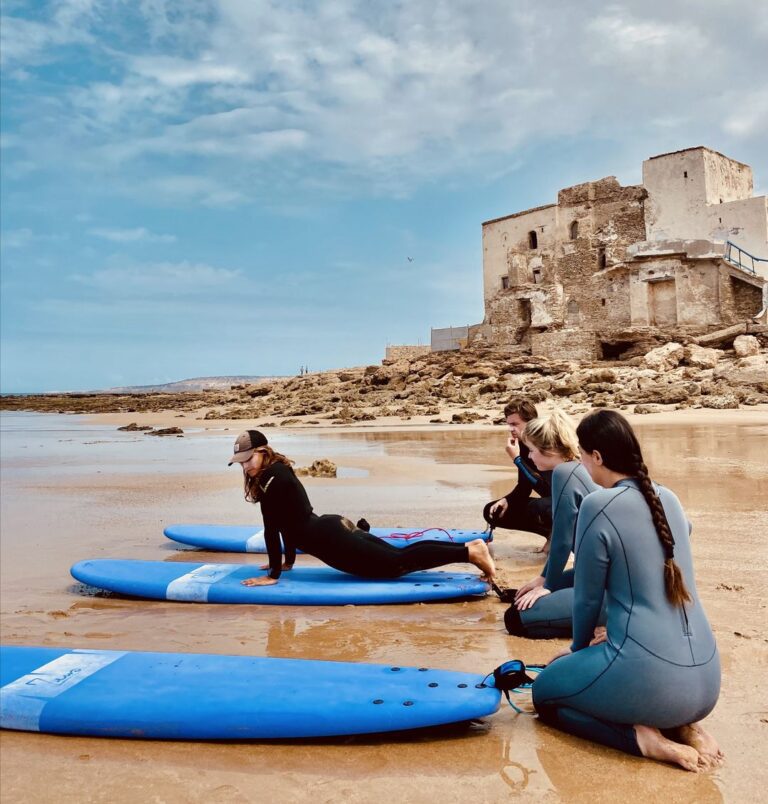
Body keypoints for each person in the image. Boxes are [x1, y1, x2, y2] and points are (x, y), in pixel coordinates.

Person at [532, 410, 722, 772]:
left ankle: (644, 741)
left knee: (546, 696)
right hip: (708, 682)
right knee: (632, 678)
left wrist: (575, 652)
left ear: (597, 457)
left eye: (584, 457)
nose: (584, 466)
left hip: (652, 679)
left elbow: (587, 598)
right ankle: (685, 727)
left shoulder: (597, 504)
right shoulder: (669, 499)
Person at [228, 430, 496, 585]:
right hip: (331, 528)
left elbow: (272, 528)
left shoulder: (270, 480)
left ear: (263, 450)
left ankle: (470, 554)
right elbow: (289, 521)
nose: (245, 466)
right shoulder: (277, 472)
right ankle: (471, 549)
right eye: (241, 462)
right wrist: (288, 563)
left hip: (330, 540)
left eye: (248, 458)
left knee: (396, 565)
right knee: (397, 554)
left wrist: (274, 574)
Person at [503, 409, 599, 639]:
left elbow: (562, 539)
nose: (531, 457)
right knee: (521, 598)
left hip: (606, 583)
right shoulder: (578, 466)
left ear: (549, 450)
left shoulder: (563, 473)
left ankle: (607, 625)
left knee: (515, 619)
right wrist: (543, 578)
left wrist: (547, 583)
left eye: (533, 451)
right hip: (594, 571)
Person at [483, 399, 552, 549]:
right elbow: (524, 486)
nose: (510, 429)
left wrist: (517, 459)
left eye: (515, 424)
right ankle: (550, 534)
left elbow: (547, 488)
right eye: (508, 424)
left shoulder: (546, 443)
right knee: (492, 510)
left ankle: (560, 537)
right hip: (548, 503)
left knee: (538, 507)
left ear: (531, 423)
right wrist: (506, 500)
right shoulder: (522, 444)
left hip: (564, 502)